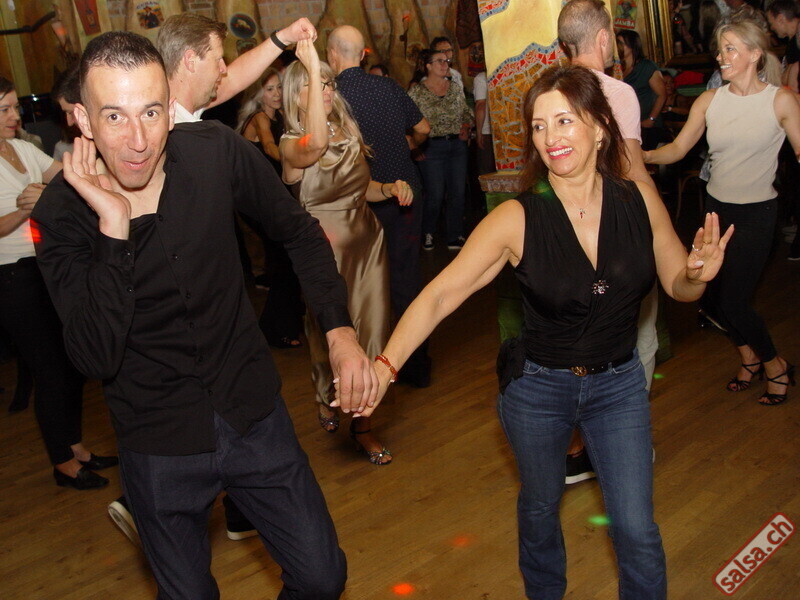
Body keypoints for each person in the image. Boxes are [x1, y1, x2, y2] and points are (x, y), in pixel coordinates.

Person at [341, 64, 733, 599]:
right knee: (542, 505)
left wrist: (696, 276)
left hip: (618, 385)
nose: (550, 137)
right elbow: (439, 295)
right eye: (539, 126)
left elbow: (677, 285)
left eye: (564, 121)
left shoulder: (638, 201)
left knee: (636, 528)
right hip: (539, 388)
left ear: (600, 127)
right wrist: (385, 368)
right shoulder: (518, 218)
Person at [33, 31, 379, 598]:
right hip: (158, 443)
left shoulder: (213, 151)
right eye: (114, 117)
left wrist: (339, 332)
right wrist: (114, 230)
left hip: (254, 416)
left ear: (170, 106)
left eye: (150, 112)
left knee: (322, 577)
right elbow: (94, 356)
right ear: (83, 121)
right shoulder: (62, 216)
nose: (138, 140)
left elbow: (298, 231)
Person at [105, 12, 320, 545]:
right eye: (216, 59)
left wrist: (282, 39)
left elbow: (234, 77)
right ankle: (156, 497)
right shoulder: (159, 129)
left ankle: (236, 503)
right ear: (189, 60)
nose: (226, 70)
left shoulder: (187, 111)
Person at [645, 19, 798, 405]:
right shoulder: (710, 101)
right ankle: (749, 357)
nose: (721, 56)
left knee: (733, 300)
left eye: (730, 48)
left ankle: (775, 365)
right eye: (720, 48)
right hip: (716, 212)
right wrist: (641, 156)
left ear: (754, 54)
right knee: (709, 298)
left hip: (757, 214)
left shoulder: (780, 100)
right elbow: (677, 150)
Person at [281, 39, 413, 464]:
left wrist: (388, 188)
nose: (327, 90)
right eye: (315, 84)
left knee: (373, 333)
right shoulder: (292, 145)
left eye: (328, 83)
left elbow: (360, 189)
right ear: (295, 95)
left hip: (367, 242)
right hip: (324, 252)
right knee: (329, 335)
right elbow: (315, 145)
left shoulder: (348, 131)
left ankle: (364, 425)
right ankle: (326, 394)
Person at [557, 0, 659, 485]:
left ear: (564, 45)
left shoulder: (549, 93)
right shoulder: (618, 93)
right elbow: (633, 174)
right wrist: (662, 233)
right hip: (617, 236)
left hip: (566, 237)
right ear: (603, 39)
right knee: (638, 338)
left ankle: (578, 449)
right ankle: (621, 442)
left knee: (578, 343)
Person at [0, 76, 118, 489]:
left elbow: (67, 178)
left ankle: (75, 447)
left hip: (45, 266)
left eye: (14, 107)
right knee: (49, 369)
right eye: (5, 110)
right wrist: (26, 210)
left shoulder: (21, 149)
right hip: (12, 275)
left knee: (70, 366)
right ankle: (62, 462)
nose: (16, 116)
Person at [327, 24, 433, 388]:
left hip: (360, 201)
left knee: (363, 285)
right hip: (405, 195)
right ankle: (415, 366)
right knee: (407, 280)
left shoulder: (331, 97)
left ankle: (369, 364)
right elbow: (424, 128)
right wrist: (408, 145)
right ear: (362, 54)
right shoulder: (387, 86)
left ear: (332, 54)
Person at [236, 69, 305, 349]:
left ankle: (284, 321)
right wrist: (294, 159)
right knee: (284, 262)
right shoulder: (260, 118)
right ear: (258, 95)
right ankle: (277, 329)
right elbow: (269, 147)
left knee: (287, 261)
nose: (276, 94)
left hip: (271, 198)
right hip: (256, 202)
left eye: (279, 88)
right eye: (269, 89)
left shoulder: (280, 116)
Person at [409, 49, 474, 251]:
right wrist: (414, 146)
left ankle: (455, 234)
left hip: (456, 146)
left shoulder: (455, 88)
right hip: (431, 147)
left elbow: (466, 113)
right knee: (435, 194)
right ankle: (428, 231)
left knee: (457, 192)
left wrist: (466, 126)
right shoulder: (417, 92)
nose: (445, 64)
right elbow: (406, 121)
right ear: (428, 66)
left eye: (447, 61)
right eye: (440, 61)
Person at [617, 29, 667, 151]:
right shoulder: (618, 69)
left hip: (647, 126)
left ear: (632, 46)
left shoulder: (646, 66)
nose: (618, 47)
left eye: (621, 43)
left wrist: (651, 119)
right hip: (629, 126)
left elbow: (662, 94)